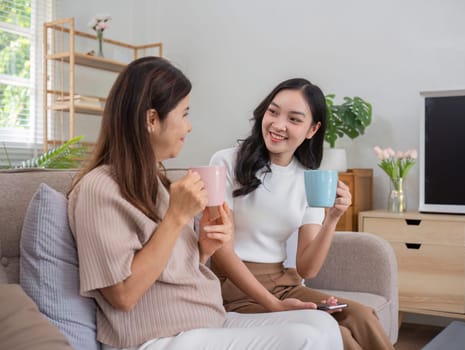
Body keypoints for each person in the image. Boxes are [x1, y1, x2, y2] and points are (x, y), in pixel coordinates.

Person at [67, 57, 343, 350]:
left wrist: (202, 249)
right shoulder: (100, 188)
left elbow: (169, 271)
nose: (189, 127)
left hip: (201, 322)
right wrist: (176, 217)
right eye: (184, 114)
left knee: (322, 324)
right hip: (159, 337)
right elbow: (123, 294)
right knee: (306, 338)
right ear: (151, 120)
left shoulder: (154, 184)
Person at [209, 78, 395, 350]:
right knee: (338, 335)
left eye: (294, 119)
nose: (278, 125)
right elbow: (221, 253)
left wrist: (332, 217)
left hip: (284, 282)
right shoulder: (225, 162)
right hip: (234, 288)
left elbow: (307, 267)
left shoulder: (308, 178)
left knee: (362, 315)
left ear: (312, 129)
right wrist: (275, 305)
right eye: (273, 112)